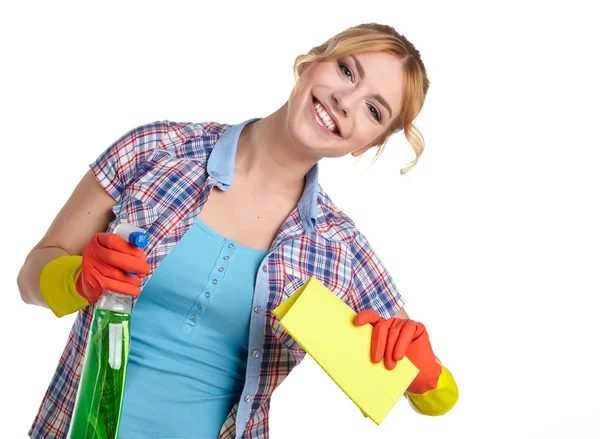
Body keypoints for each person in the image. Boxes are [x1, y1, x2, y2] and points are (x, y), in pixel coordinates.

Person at [17, 22, 458, 439]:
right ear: (309, 62)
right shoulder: (156, 149)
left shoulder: (338, 249)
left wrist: (426, 375)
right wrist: (75, 279)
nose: (346, 100)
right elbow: (31, 276)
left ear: (366, 143)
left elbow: (439, 398)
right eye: (346, 71)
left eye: (373, 109)